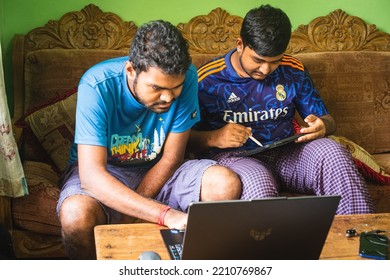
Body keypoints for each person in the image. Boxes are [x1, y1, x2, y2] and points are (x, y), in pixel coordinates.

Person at [56, 20, 242, 259]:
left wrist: (130, 214)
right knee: (75, 215)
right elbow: (92, 178)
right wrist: (164, 214)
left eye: (175, 88)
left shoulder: (188, 77)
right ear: (131, 70)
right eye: (156, 87)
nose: (167, 97)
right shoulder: (96, 85)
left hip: (160, 170)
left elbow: (172, 157)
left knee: (225, 183)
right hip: (107, 174)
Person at [188, 4, 374, 215]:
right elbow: (180, 139)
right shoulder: (207, 80)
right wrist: (215, 137)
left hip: (287, 153)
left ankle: (359, 241)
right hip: (236, 158)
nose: (266, 70)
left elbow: (328, 120)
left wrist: (322, 126)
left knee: (332, 152)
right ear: (240, 44)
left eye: (275, 61)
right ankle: (267, 249)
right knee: (259, 182)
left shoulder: (293, 69)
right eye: (258, 60)